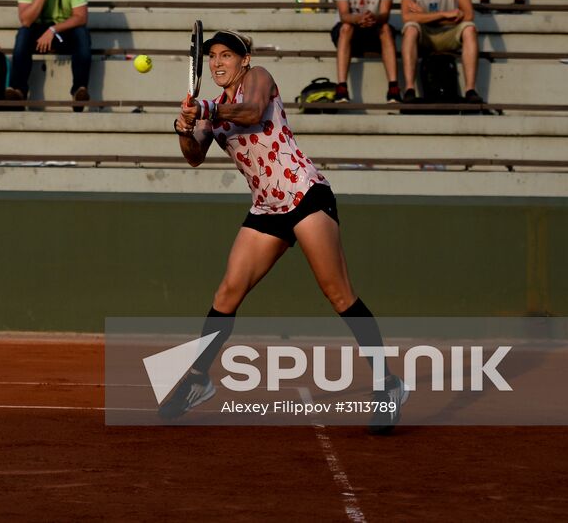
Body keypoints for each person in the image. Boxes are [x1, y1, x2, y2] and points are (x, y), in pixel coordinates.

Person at [162, 30, 408, 433]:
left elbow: (252, 112)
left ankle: (388, 384)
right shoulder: (214, 109)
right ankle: (198, 379)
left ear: (244, 59)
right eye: (213, 57)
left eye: (226, 55)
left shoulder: (258, 77)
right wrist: (183, 126)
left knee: (339, 294)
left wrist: (203, 107)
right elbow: (194, 157)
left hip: (305, 194)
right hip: (267, 207)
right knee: (226, 294)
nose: (218, 63)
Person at [6, 0, 92, 108]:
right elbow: (26, 20)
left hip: (62, 33)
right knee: (24, 32)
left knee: (81, 33)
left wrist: (53, 30)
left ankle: (79, 90)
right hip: (38, 34)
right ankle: (18, 90)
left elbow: (81, 17)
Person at [400, 0, 483, 103]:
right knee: (410, 29)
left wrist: (425, 16)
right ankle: (409, 89)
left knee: (469, 29)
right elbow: (406, 16)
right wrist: (444, 14)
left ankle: (470, 89)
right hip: (426, 34)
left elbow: (468, 14)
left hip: (447, 32)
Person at [330, 0, 399, 103]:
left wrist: (373, 18)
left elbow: (385, 14)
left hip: (374, 26)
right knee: (346, 28)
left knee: (385, 29)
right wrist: (359, 18)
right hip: (349, 29)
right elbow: (344, 15)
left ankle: (394, 88)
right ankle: (342, 87)